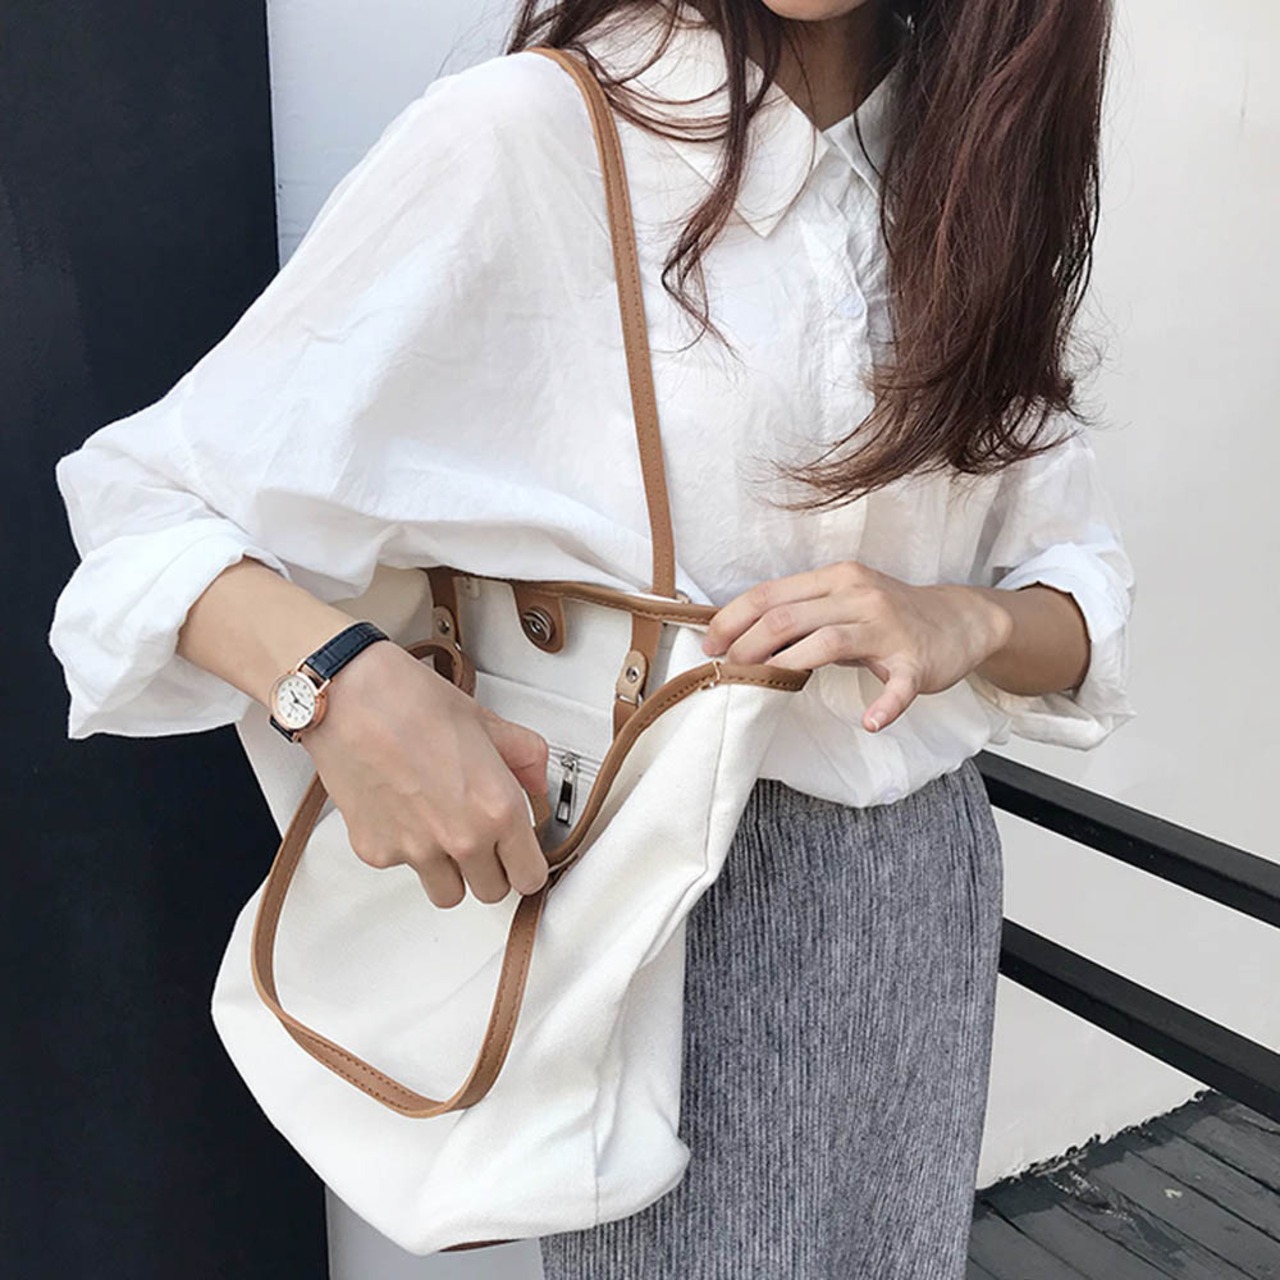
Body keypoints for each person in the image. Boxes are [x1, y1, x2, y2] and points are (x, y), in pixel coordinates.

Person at [48, 0, 1133, 1276]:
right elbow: (147, 504)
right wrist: (338, 687)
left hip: (922, 887)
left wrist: (971, 615)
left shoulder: (969, 165)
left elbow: (1075, 586)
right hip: (673, 907)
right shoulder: (535, 136)